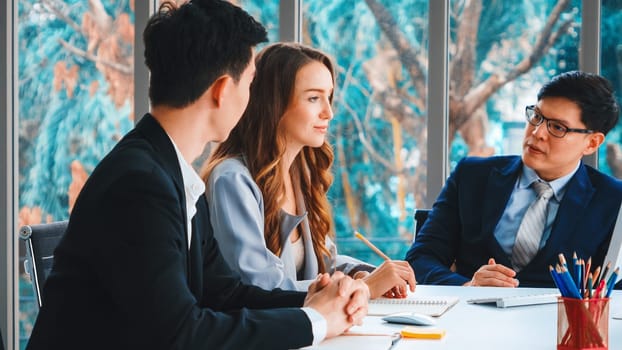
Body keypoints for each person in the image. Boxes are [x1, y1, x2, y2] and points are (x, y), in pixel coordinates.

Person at [26, 2, 370, 349]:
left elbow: (223, 293)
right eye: (250, 83)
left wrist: (314, 301)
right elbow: (181, 335)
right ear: (221, 90)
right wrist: (315, 321)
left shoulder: (172, 174)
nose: (253, 99)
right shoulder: (140, 185)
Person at [202, 42, 416, 299]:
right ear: (273, 104)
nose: (329, 112)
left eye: (329, 97)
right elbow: (258, 286)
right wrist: (364, 288)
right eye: (314, 98)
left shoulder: (298, 175)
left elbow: (325, 260)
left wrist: (360, 273)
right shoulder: (232, 180)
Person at [406, 71, 622, 288]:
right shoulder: (472, 176)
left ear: (592, 143)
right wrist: (467, 287)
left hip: (556, 320)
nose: (537, 133)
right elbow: (421, 259)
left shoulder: (613, 200)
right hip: (470, 316)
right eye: (537, 117)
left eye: (557, 127)